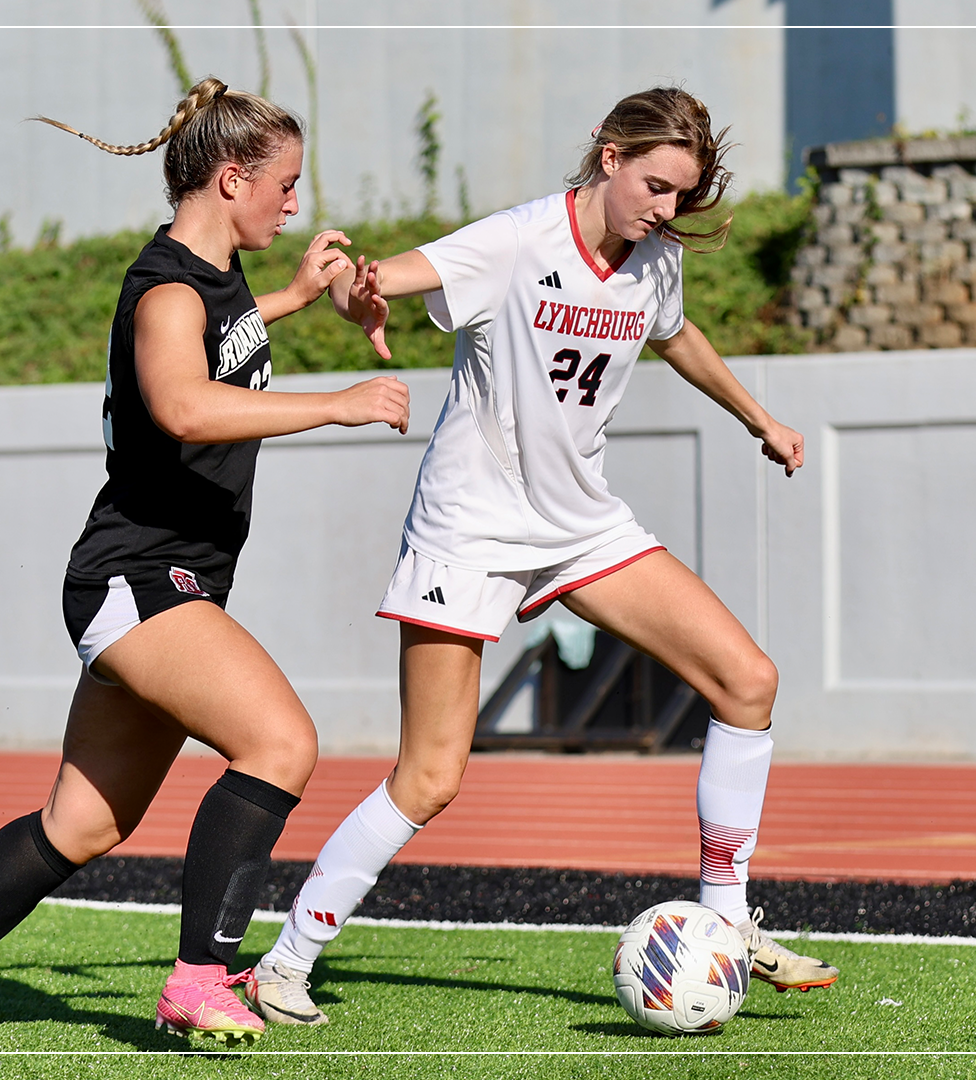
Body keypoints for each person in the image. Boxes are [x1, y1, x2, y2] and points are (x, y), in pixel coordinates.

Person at [245, 86, 839, 1027]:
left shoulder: (654, 261)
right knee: (431, 777)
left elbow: (677, 337)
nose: (664, 209)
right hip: (469, 529)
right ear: (609, 156)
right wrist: (357, 286)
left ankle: (727, 924)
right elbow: (392, 277)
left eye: (680, 195)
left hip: (581, 527)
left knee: (747, 680)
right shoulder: (519, 239)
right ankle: (286, 961)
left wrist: (759, 417)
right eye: (653, 185)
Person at [0, 76, 408, 1047]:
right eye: (284, 184)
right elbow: (185, 404)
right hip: (140, 575)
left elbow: (220, 342)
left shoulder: (215, 278)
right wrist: (337, 402)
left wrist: (289, 298)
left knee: (81, 826)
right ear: (232, 177)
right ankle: (200, 976)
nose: (295, 201)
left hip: (160, 574)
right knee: (280, 745)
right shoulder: (167, 288)